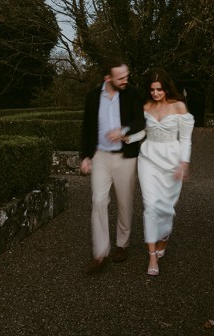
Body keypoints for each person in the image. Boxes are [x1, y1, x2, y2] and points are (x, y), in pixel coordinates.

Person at [124, 69, 195, 276]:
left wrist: (184, 163)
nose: (155, 93)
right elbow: (143, 132)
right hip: (148, 158)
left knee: (167, 208)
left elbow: (186, 139)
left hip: (172, 160)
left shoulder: (179, 106)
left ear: (166, 89)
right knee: (150, 206)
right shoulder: (145, 106)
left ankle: (163, 238)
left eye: (159, 89)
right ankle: (152, 255)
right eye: (152, 90)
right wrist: (127, 138)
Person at [80, 57, 146, 275]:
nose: (125, 80)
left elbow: (141, 121)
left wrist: (123, 130)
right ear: (107, 77)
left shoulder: (133, 93)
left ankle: (122, 244)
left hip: (125, 157)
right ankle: (100, 254)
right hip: (100, 156)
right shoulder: (92, 96)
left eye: (126, 76)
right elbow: (87, 127)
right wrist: (85, 156)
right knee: (98, 201)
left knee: (125, 203)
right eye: (121, 77)